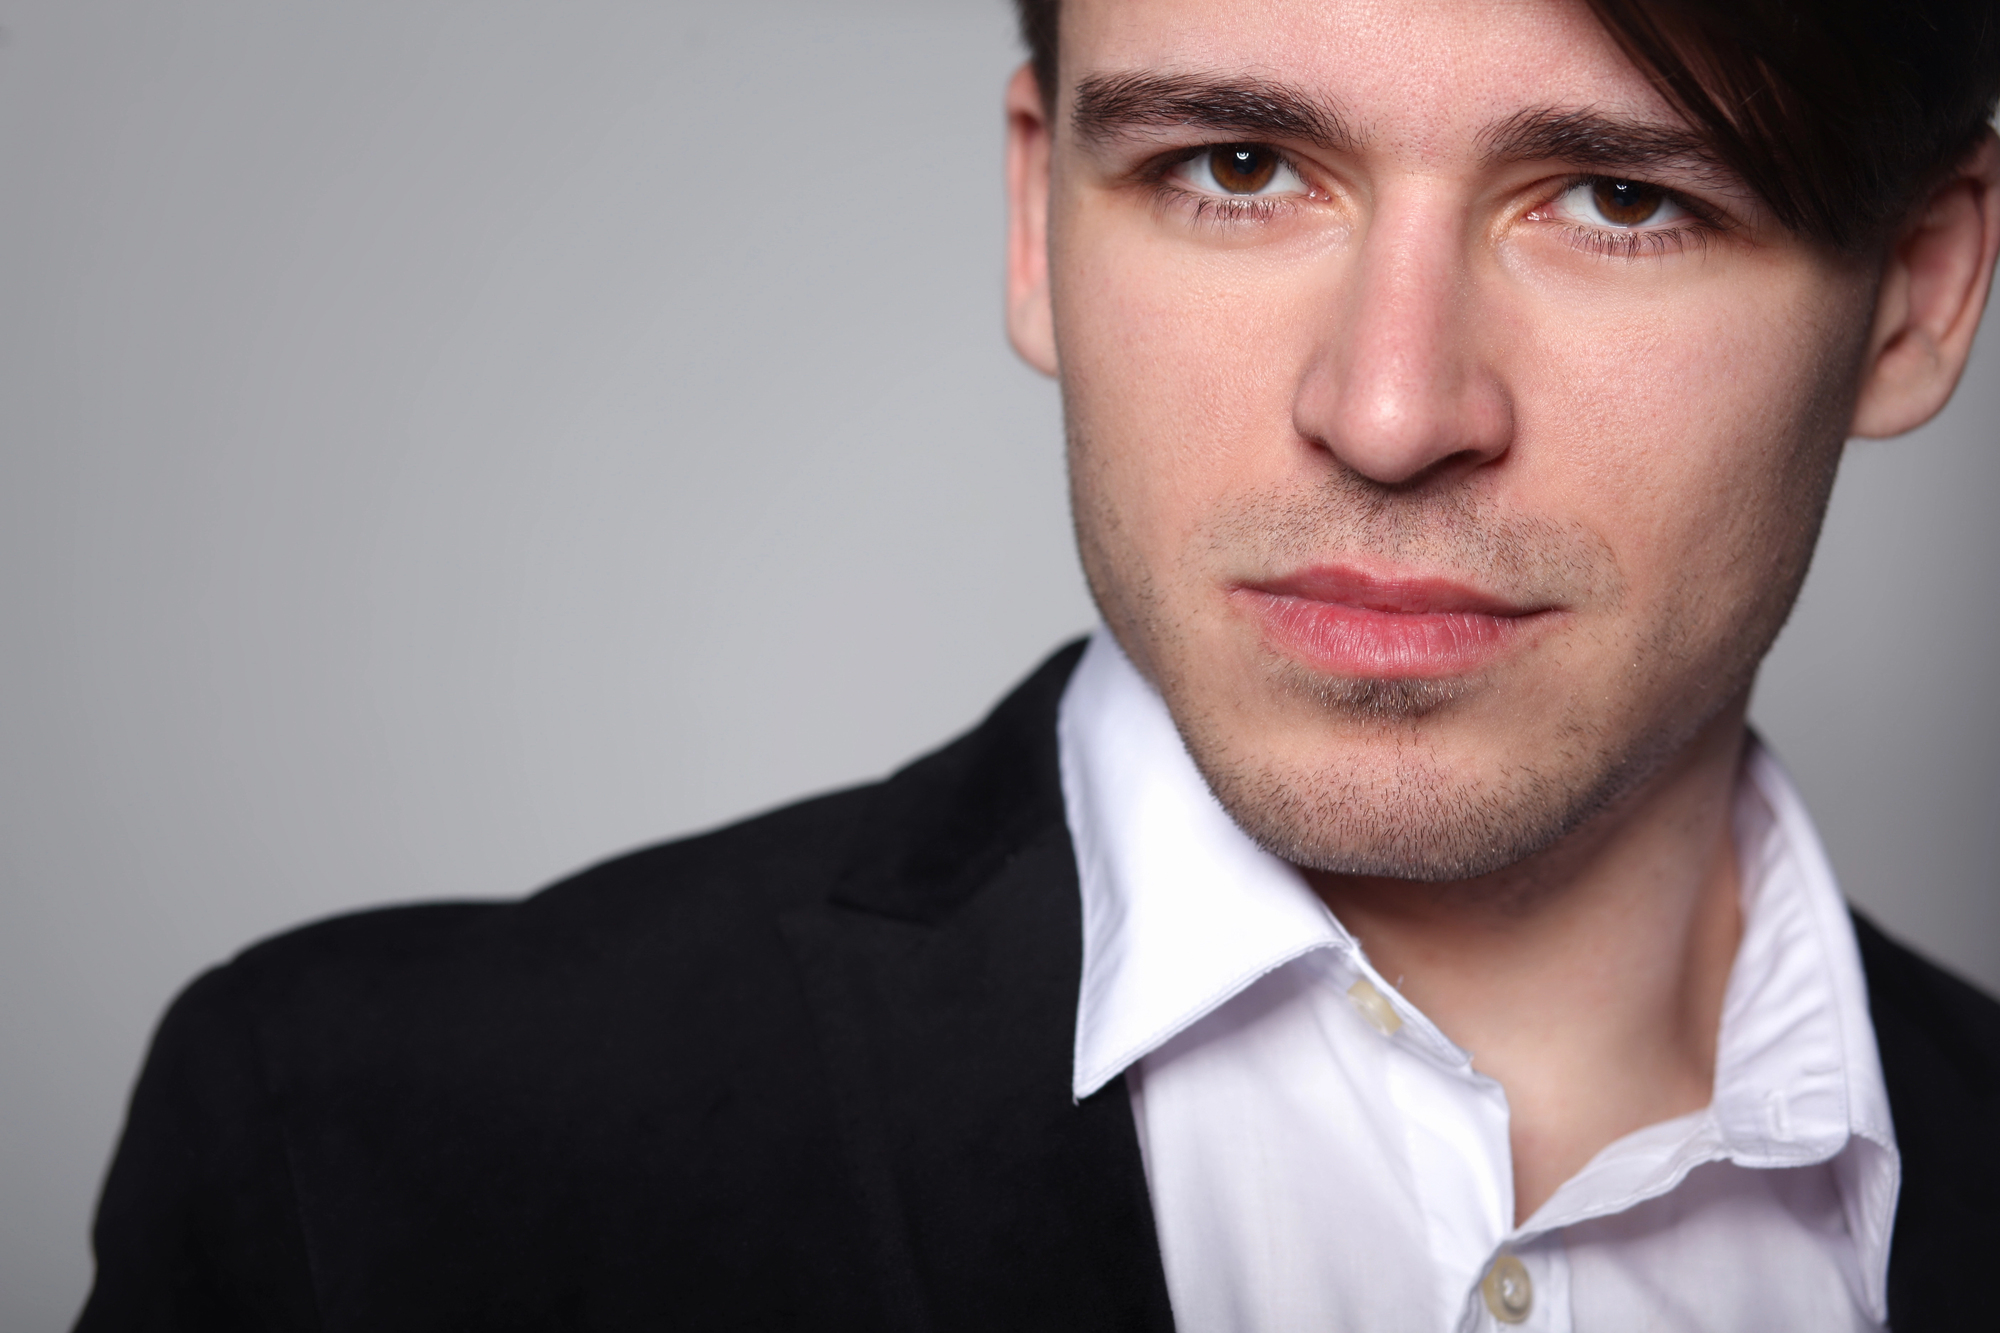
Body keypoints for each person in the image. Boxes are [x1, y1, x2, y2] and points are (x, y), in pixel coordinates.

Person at [76, 0, 2000, 1328]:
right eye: (1237, 165)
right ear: (1033, 219)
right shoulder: (364, 1164)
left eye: (1622, 198)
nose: (1394, 408)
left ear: (1918, 295)